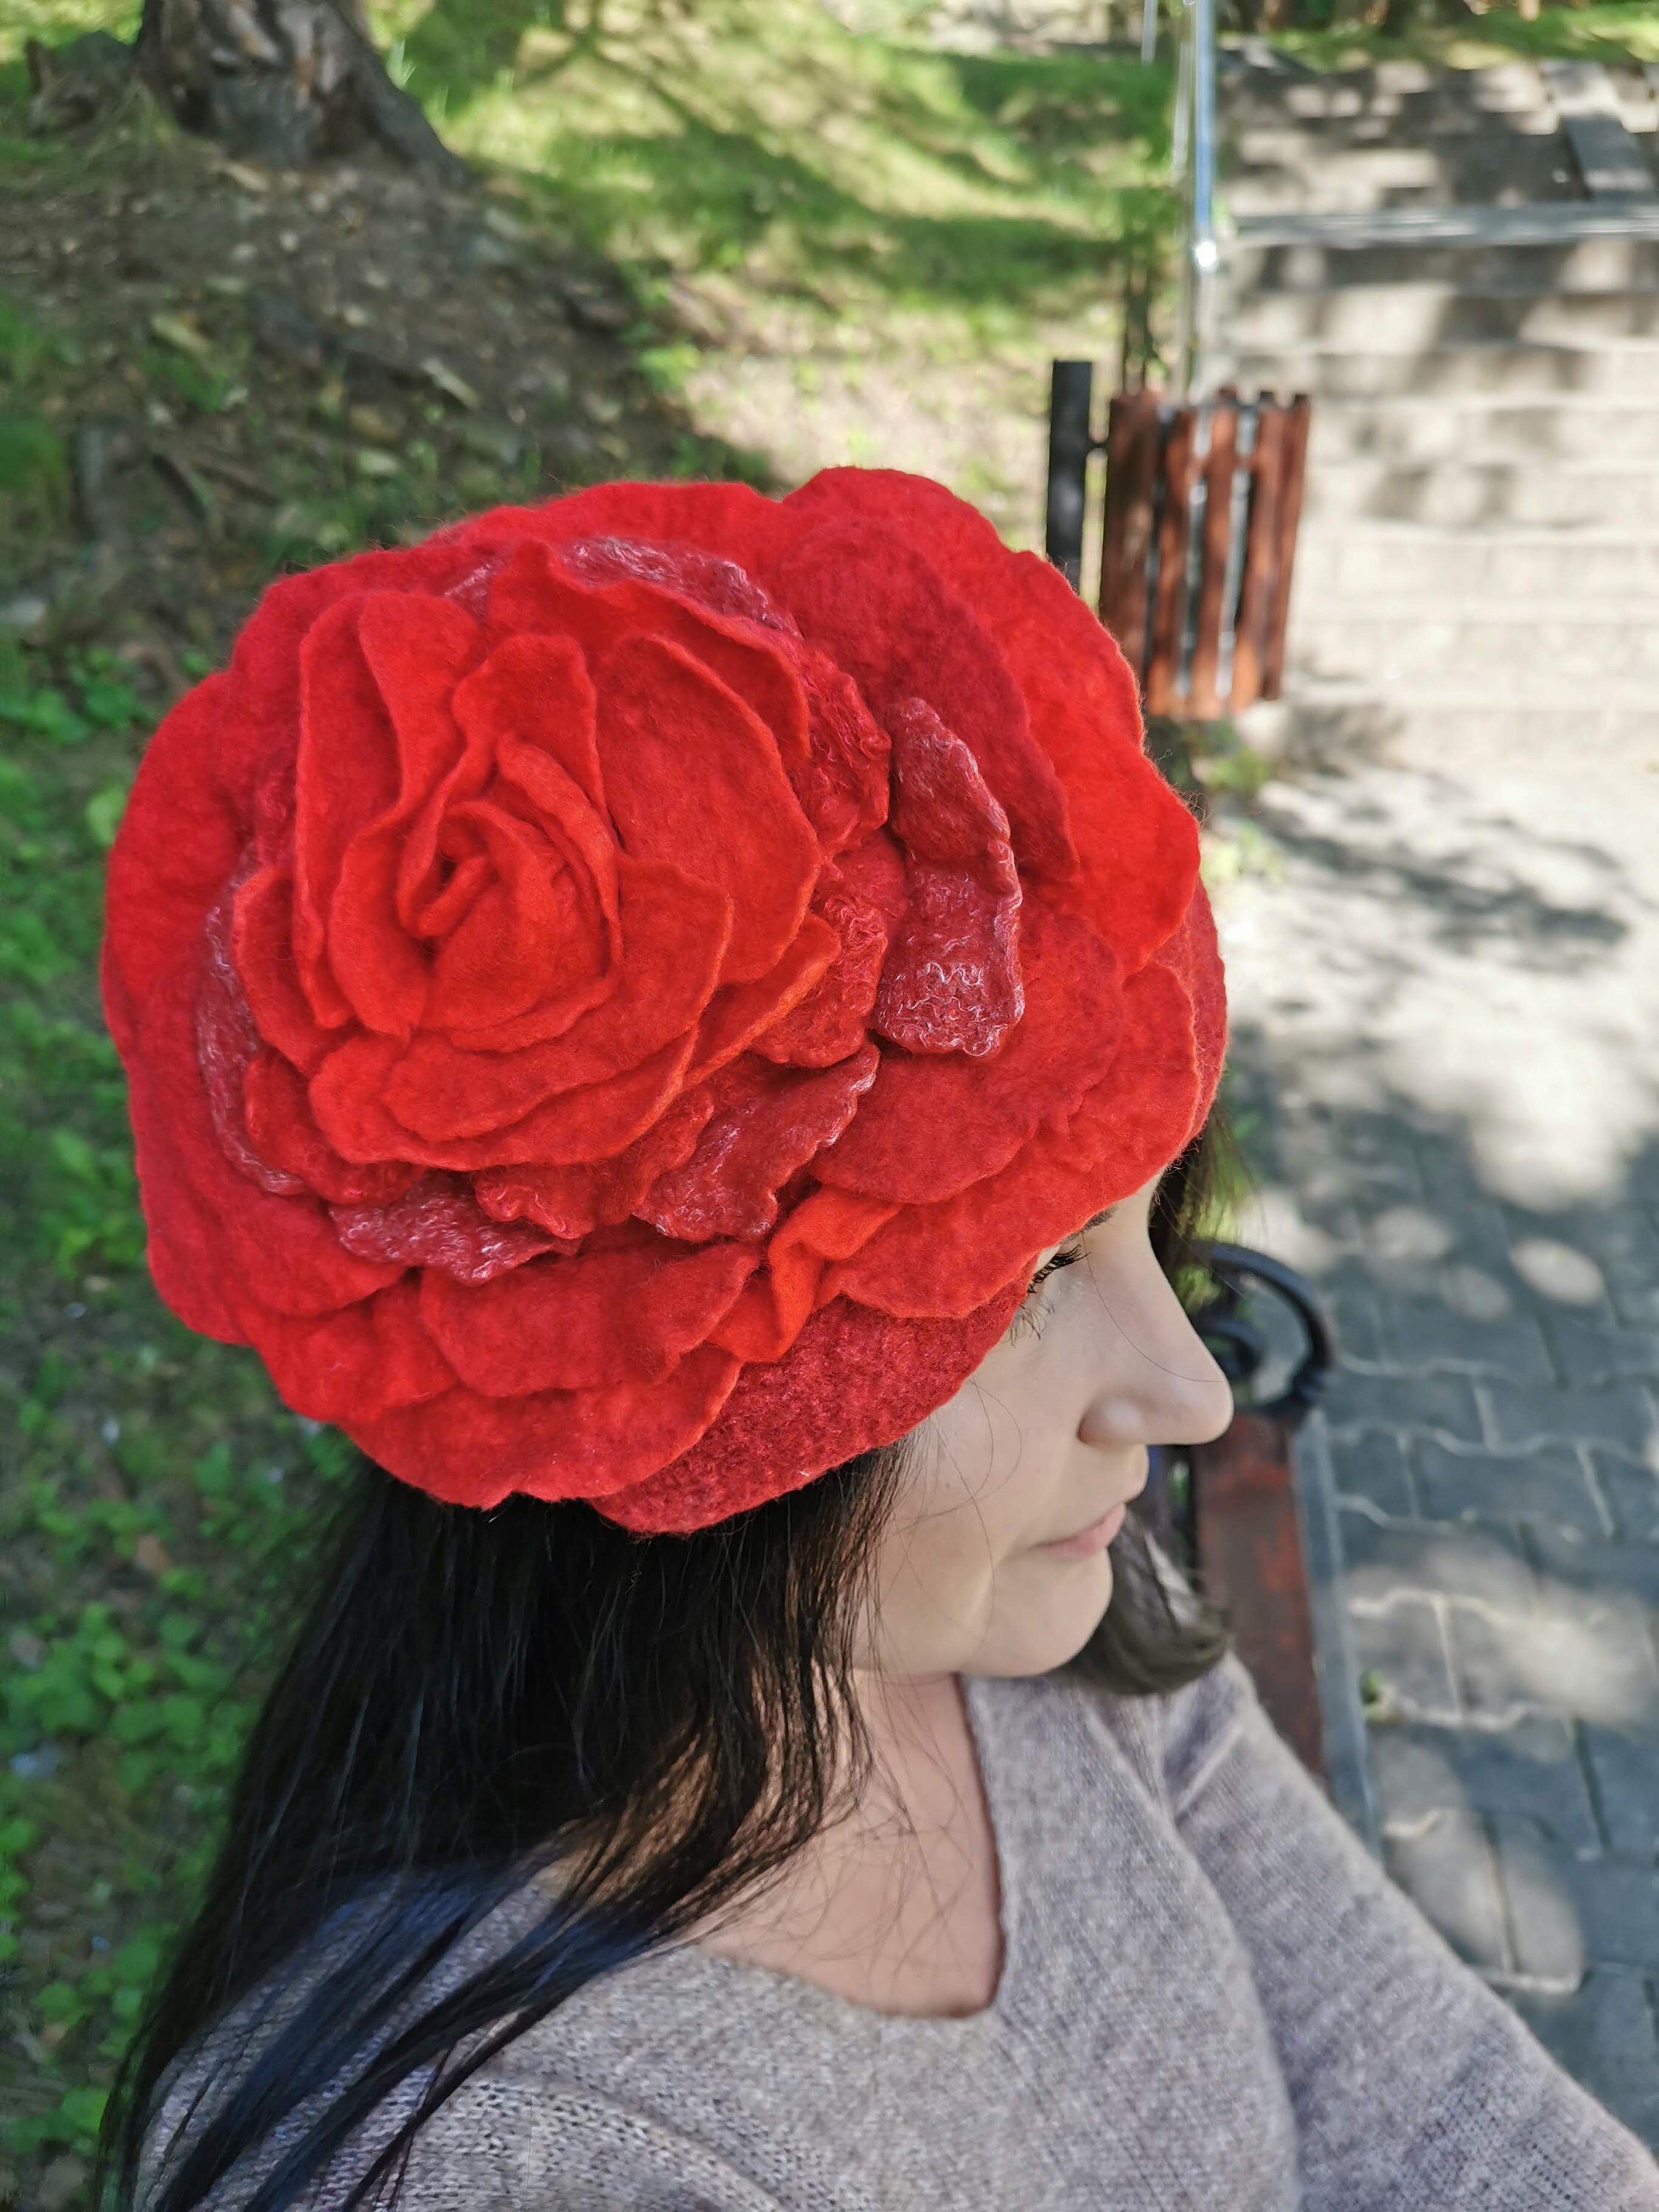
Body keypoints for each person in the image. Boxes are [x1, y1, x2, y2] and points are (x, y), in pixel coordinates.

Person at [98, 470, 1659, 2210]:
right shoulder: (489, 2168)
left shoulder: (1043, 1635)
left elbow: (1450, 2111)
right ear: (677, 1418)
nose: (1192, 1391)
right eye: (1025, 1276)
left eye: (1152, 1229)